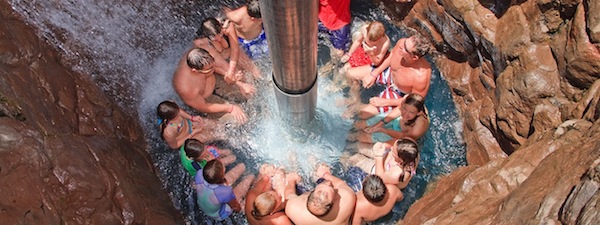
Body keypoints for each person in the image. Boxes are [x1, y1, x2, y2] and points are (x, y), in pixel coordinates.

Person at [356, 32, 433, 119]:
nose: (401, 45)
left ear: (414, 57)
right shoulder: (402, 43)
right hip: (390, 73)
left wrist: (386, 102)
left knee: (362, 114)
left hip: (399, 92)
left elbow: (413, 101)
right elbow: (392, 55)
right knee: (350, 73)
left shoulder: (421, 77)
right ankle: (354, 99)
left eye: (405, 48)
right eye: (405, 42)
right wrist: (375, 73)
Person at [172, 47, 249, 123]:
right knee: (239, 120)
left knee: (248, 92)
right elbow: (203, 106)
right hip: (206, 100)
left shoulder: (205, 53)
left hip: (216, 79)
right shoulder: (186, 87)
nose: (214, 68)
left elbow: (222, 65)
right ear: (195, 71)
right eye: (210, 69)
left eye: (213, 64)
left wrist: (239, 83)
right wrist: (231, 108)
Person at [285, 163, 356, 225]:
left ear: (309, 194)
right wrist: (325, 174)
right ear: (333, 202)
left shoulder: (294, 208)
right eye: (331, 187)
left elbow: (289, 193)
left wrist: (292, 179)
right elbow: (341, 184)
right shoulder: (346, 200)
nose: (329, 182)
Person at [194, 17, 261, 82]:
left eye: (220, 35)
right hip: (219, 59)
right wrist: (231, 72)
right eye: (215, 39)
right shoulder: (200, 42)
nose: (219, 39)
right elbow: (214, 63)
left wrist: (231, 69)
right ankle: (245, 82)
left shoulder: (227, 26)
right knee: (237, 75)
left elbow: (235, 49)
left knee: (249, 66)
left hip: (231, 50)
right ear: (207, 37)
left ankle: (260, 77)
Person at [350, 93, 429, 144]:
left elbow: (402, 136)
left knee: (363, 137)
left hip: (402, 133)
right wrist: (378, 125)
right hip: (398, 121)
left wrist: (381, 129)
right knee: (361, 124)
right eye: (404, 109)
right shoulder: (408, 100)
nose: (405, 114)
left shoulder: (417, 128)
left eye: (411, 112)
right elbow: (397, 111)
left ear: (419, 113)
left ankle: (351, 140)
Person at [347, 139, 419, 190]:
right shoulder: (412, 153)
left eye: (393, 152)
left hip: (378, 170)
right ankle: (348, 145)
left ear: (401, 160)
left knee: (351, 158)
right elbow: (393, 145)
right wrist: (384, 145)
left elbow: (379, 178)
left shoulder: (397, 174)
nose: (391, 150)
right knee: (358, 145)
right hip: (384, 158)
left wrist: (378, 157)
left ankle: (343, 159)